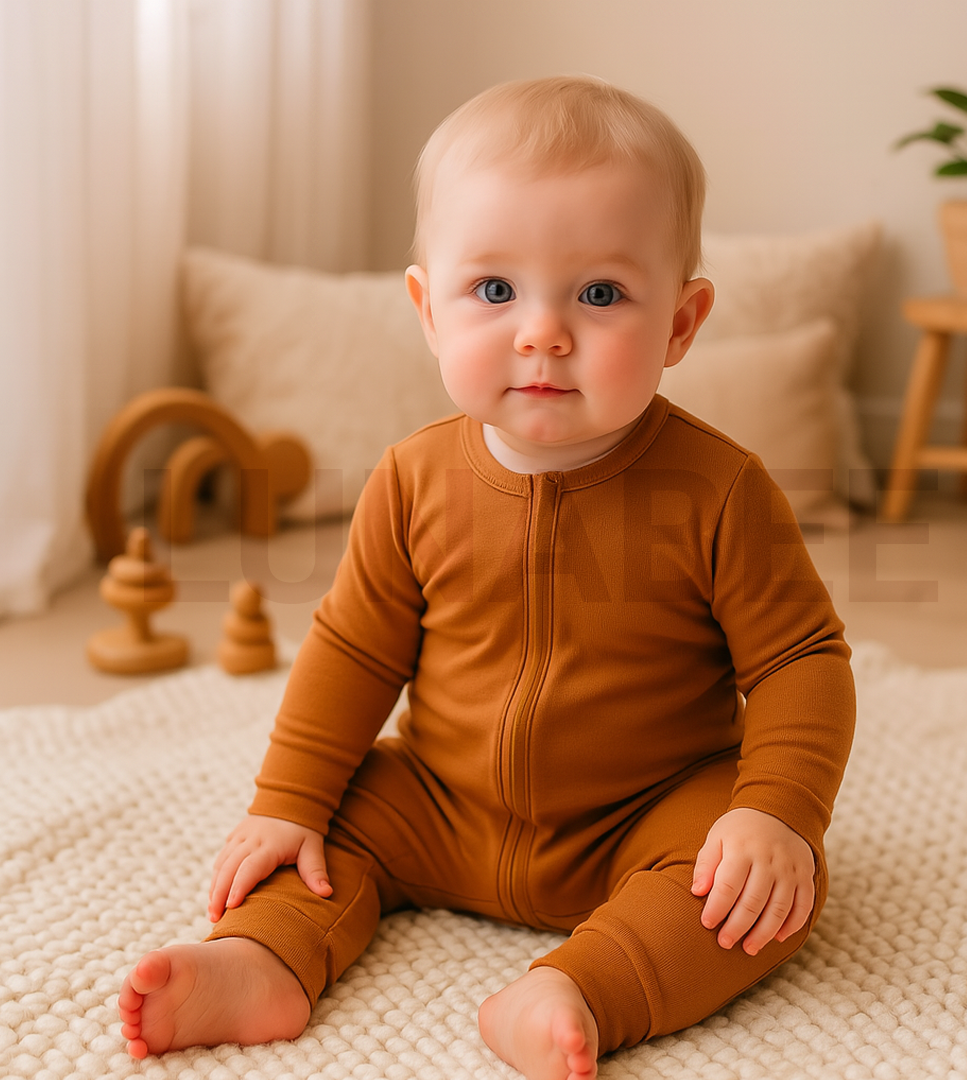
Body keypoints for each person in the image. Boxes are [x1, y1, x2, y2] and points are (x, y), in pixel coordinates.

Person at [118, 75, 856, 1080]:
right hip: (440, 804)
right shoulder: (412, 479)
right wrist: (288, 797)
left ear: (681, 324)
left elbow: (801, 661)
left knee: (764, 890)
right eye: (496, 291)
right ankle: (263, 960)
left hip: (644, 813)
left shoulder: (721, 490)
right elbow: (354, 648)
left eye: (601, 294)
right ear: (429, 310)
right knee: (327, 825)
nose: (542, 332)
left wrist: (775, 811)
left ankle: (582, 988)